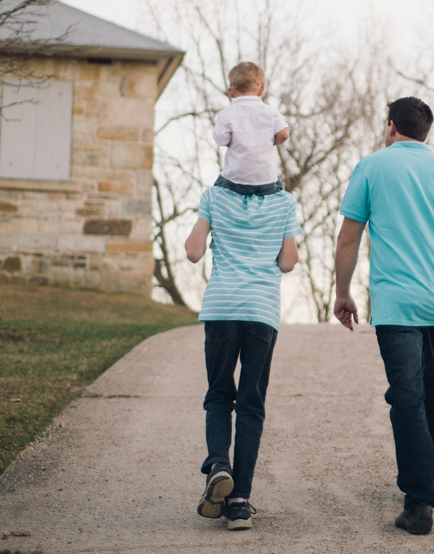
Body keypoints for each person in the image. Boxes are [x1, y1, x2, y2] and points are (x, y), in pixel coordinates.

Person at [333, 96, 434, 536]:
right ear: (426, 132)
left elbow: (348, 240)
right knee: (433, 382)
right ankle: (422, 478)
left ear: (390, 127)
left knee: (407, 393)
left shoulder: (371, 167)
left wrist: (343, 292)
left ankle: (419, 499)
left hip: (397, 303)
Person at [184, 174, 302, 530]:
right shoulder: (285, 202)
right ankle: (238, 504)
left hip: (222, 307)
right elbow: (288, 262)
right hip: (261, 312)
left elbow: (193, 251)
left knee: (219, 394)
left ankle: (219, 465)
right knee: (251, 403)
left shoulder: (214, 197)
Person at [212, 61, 290, 197]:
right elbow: (284, 134)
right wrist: (271, 140)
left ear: (230, 92)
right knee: (278, 188)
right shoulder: (271, 111)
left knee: (216, 189)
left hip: (236, 181)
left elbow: (221, 140)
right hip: (267, 181)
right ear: (261, 89)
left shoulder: (226, 114)